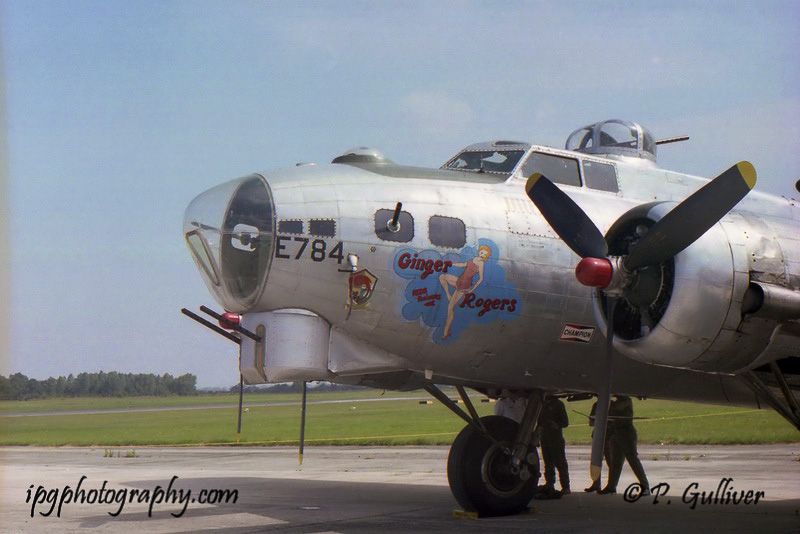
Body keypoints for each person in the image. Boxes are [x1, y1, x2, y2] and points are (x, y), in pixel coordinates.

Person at [599, 395, 650, 495]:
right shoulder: (614, 403)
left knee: (633, 460)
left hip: (627, 433)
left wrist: (606, 400)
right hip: (616, 433)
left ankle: (645, 487)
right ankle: (611, 486)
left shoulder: (626, 401)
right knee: (615, 463)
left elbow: (616, 408)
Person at [438, 245, 490, 338]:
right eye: (482, 252)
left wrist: (472, 289)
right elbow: (463, 264)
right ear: (480, 251)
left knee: (450, 308)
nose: (482, 255)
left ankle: (446, 332)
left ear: (486, 256)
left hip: (464, 285)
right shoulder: (474, 258)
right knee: (442, 277)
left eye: (484, 254)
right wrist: (452, 264)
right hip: (459, 280)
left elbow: (481, 278)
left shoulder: (481, 263)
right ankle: (448, 295)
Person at [536, 395, 570, 498]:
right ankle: (549, 484)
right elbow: (539, 422)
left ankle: (565, 486)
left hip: (556, 438)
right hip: (544, 437)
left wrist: (556, 424)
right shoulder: (542, 404)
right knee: (548, 462)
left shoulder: (558, 404)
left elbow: (565, 422)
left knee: (560, 462)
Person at [584, 399, 614, 493]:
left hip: (609, 436)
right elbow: (591, 422)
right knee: (596, 460)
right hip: (598, 436)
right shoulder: (596, 405)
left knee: (611, 462)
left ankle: (611, 485)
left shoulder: (613, 405)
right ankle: (596, 483)